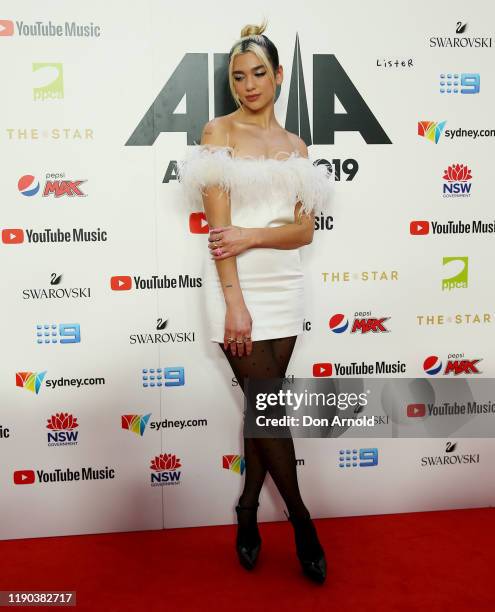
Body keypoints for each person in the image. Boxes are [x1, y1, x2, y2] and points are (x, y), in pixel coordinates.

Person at [178, 19, 332, 584]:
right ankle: (303, 523)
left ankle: (246, 511)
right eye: (238, 76)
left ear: (279, 75)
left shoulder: (296, 146)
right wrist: (235, 304)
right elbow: (221, 235)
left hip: (285, 285)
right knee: (268, 405)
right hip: (235, 289)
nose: (248, 85)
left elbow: (303, 233)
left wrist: (254, 234)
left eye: (259, 73)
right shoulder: (217, 133)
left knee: (259, 408)